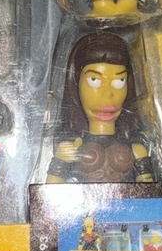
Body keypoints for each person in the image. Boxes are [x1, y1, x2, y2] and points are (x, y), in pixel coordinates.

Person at [46, 32, 153, 184]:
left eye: (119, 81)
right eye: (94, 80)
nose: (107, 95)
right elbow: (50, 191)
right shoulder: (71, 148)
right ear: (76, 83)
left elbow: (149, 192)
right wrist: (60, 161)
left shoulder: (137, 150)